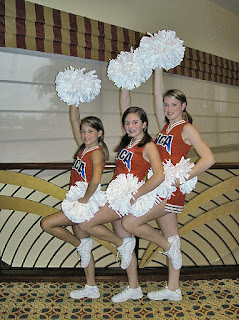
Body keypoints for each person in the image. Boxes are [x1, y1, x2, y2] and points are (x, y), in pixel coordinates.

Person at [120, 68, 215, 302]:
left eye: (174, 104)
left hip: (171, 190)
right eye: (166, 105)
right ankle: (173, 289)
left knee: (130, 221)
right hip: (161, 187)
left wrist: (184, 176)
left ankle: (166, 247)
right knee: (172, 236)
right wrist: (158, 68)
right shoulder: (166, 126)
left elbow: (209, 158)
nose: (169, 108)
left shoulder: (186, 128)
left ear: (183, 106)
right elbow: (157, 95)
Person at [73, 105, 182, 302]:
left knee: (86, 224)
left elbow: (159, 175)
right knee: (126, 241)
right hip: (118, 195)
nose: (130, 126)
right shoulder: (129, 143)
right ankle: (134, 287)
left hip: (128, 198)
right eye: (127, 122)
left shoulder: (148, 145)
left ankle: (166, 245)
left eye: (135, 122)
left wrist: (137, 194)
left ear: (144, 124)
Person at [40, 107, 109, 299]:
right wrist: (73, 100)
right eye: (83, 131)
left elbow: (95, 180)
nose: (85, 134)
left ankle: (82, 245)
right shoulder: (84, 147)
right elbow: (73, 120)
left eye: (90, 131)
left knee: (47, 223)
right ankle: (91, 287)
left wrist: (84, 200)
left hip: (84, 203)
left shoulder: (96, 152)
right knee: (85, 245)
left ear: (99, 133)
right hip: (78, 200)